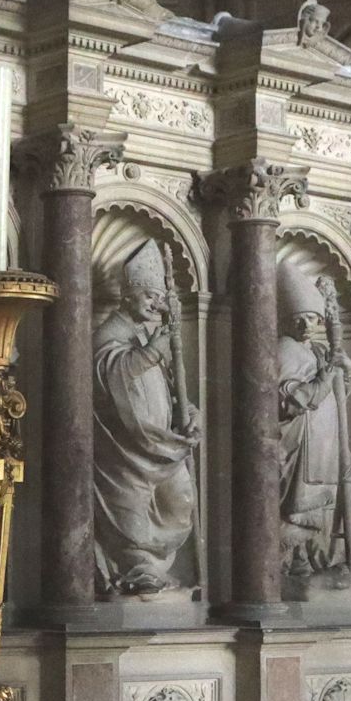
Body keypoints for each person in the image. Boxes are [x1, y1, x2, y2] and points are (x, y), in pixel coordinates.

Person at [93, 240, 200, 594]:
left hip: (161, 445)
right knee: (132, 514)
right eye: (148, 296)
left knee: (181, 498)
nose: (156, 304)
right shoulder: (111, 333)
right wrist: (155, 350)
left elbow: (167, 391)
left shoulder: (144, 337)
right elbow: (112, 373)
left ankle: (155, 567)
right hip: (123, 450)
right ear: (127, 296)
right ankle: (138, 571)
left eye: (159, 297)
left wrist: (186, 415)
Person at [277, 265, 351, 580]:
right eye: (298, 318)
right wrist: (327, 377)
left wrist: (345, 369)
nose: (305, 325)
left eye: (312, 319)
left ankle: (324, 558)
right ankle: (289, 562)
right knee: (303, 512)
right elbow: (292, 400)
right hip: (303, 445)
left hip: (330, 442)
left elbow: (340, 395)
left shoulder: (319, 349)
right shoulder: (282, 351)